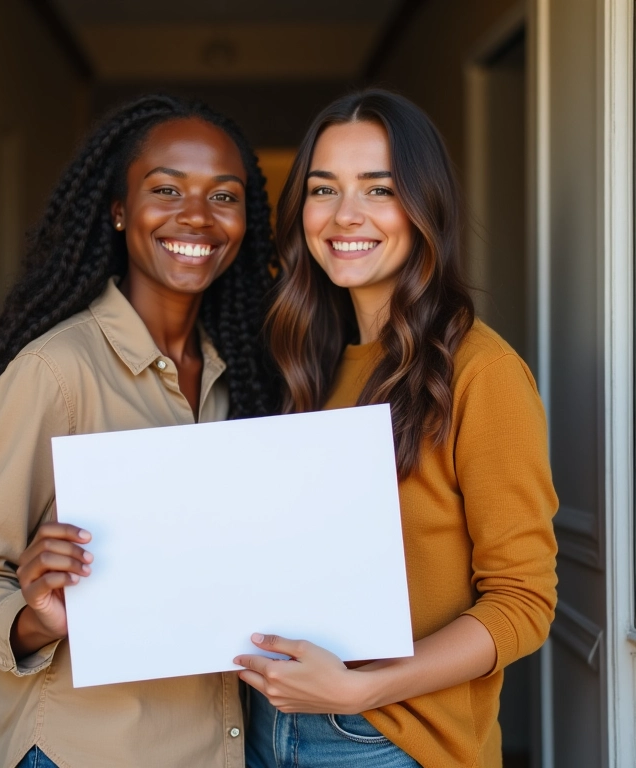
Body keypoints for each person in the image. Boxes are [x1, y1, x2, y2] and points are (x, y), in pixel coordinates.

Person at [0, 93, 276, 768]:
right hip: (86, 750)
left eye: (224, 196)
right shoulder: (53, 374)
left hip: (218, 746)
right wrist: (36, 616)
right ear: (119, 210)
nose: (196, 217)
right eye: (166, 189)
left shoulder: (249, 377)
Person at [233, 89, 558, 768]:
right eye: (324, 189)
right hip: (266, 726)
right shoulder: (303, 361)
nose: (345, 214)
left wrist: (361, 690)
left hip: (392, 744)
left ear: (423, 205)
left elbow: (523, 602)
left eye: (378, 190)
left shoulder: (480, 371)